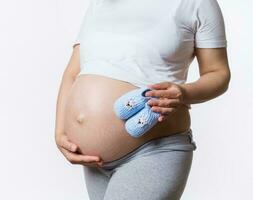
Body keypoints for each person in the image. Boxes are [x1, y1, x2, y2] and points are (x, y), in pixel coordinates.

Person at [55, 0, 231, 199]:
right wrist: (60, 132)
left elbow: (218, 73)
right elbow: (72, 73)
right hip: (94, 163)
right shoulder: (101, 3)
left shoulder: (197, 3)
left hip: (151, 151)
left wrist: (183, 92)